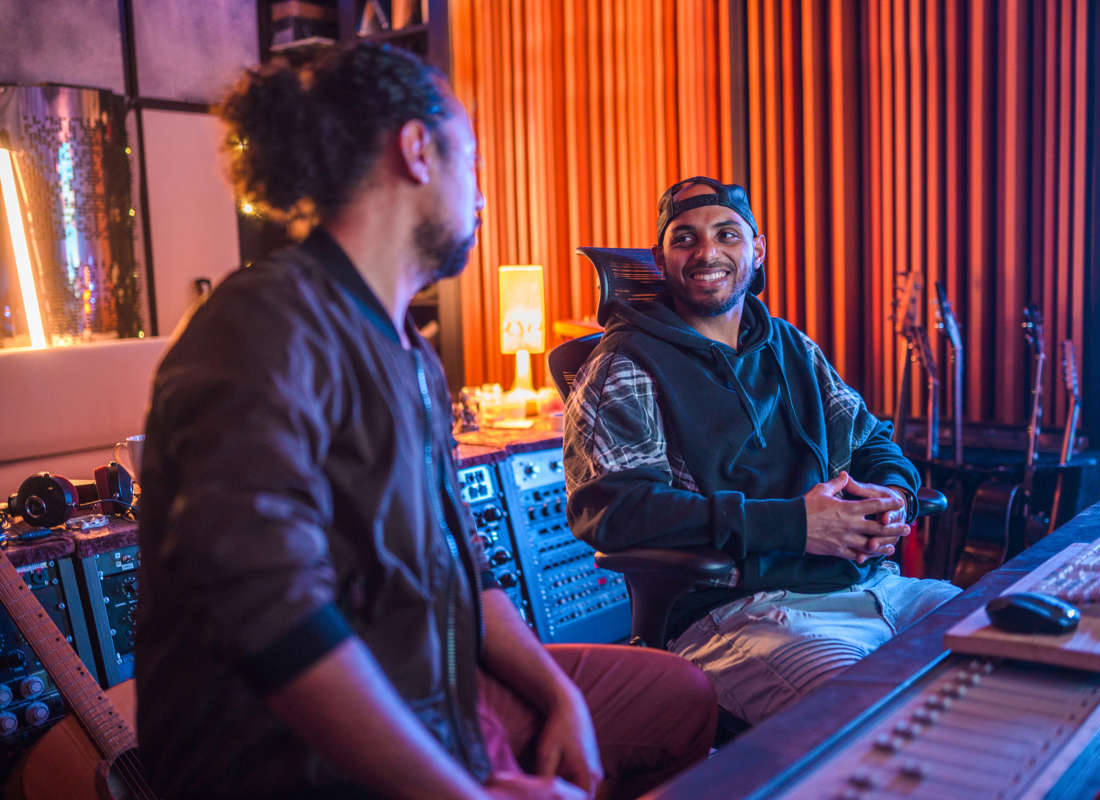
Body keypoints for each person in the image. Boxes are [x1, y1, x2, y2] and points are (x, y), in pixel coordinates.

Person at [134, 44, 716, 800]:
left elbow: (463, 560)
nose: (481, 196)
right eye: (471, 160)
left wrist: (559, 697)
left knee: (681, 697)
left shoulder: (407, 346)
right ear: (415, 149)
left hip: (434, 683)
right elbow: (268, 610)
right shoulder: (263, 323)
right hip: (288, 753)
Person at [563, 176, 960, 726]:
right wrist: (794, 525)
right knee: (868, 724)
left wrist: (893, 494)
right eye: (685, 238)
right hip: (747, 612)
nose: (707, 253)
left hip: (876, 586)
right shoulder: (625, 365)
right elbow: (614, 511)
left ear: (758, 249)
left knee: (1010, 653)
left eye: (726, 234)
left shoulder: (790, 345)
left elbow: (870, 438)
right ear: (659, 259)